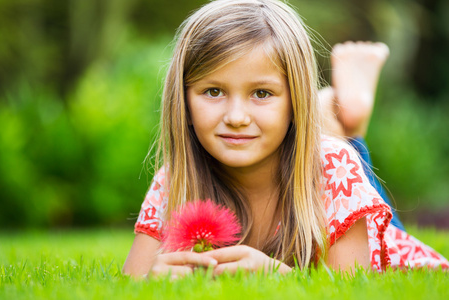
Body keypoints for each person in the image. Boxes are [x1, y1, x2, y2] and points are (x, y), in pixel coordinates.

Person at [123, 0, 448, 278]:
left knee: (344, 157)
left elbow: (351, 287)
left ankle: (349, 121)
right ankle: (336, 116)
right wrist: (156, 277)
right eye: (214, 91)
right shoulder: (176, 177)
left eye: (261, 93)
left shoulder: (334, 166)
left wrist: (275, 274)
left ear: (295, 102)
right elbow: (131, 281)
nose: (236, 117)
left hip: (374, 233)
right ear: (183, 100)